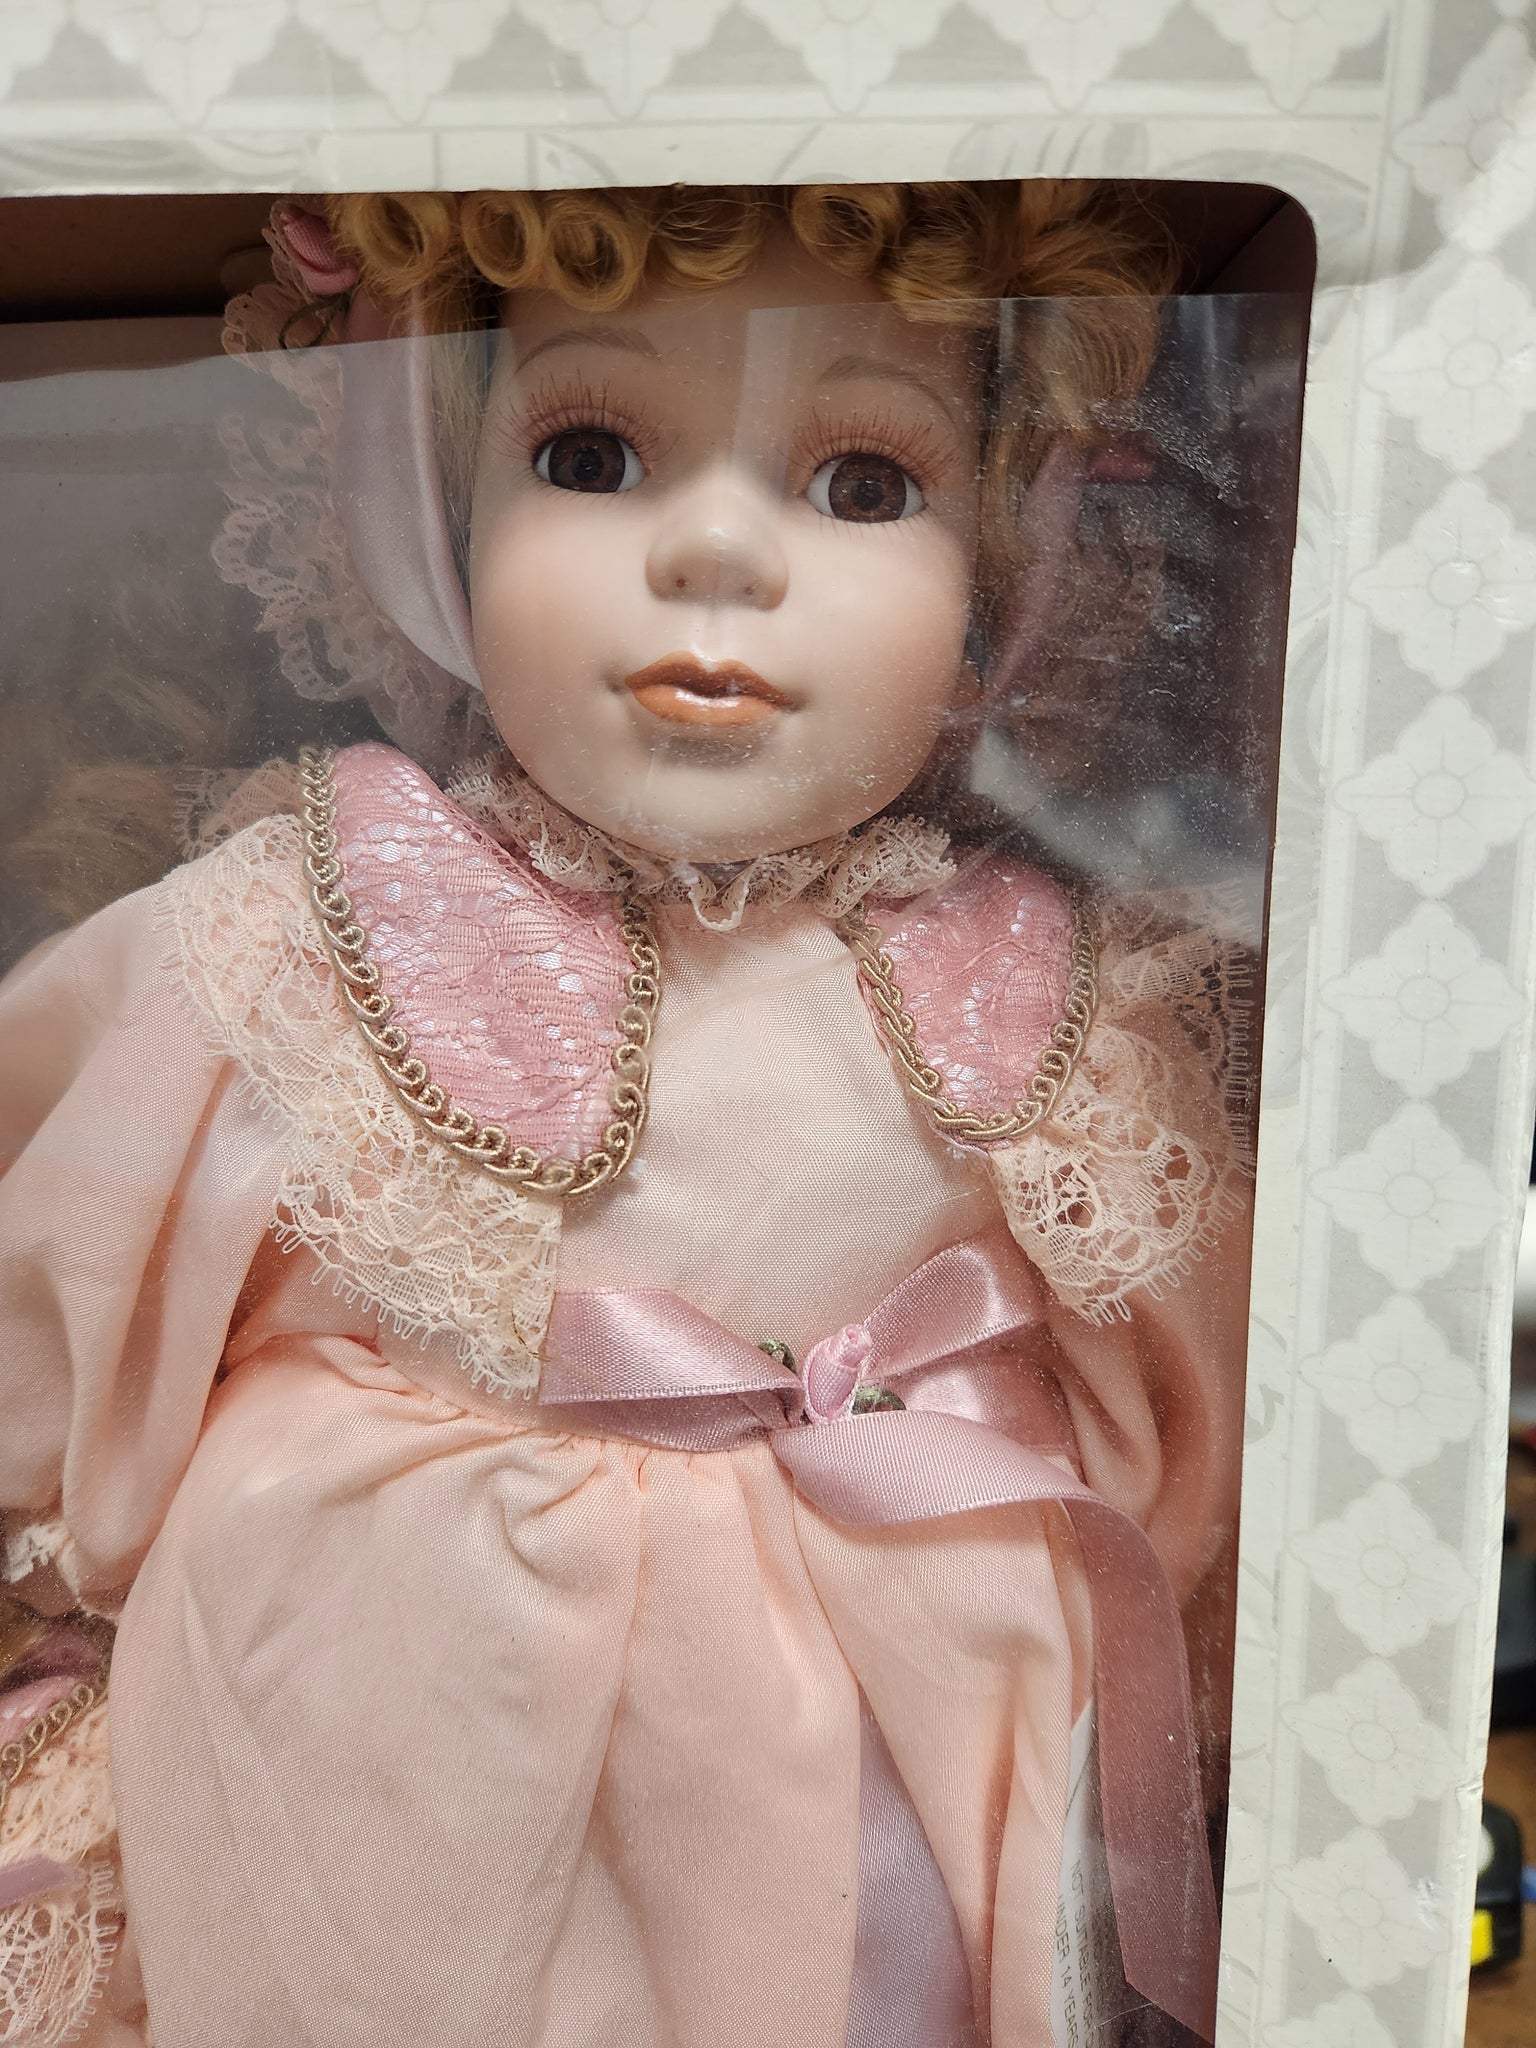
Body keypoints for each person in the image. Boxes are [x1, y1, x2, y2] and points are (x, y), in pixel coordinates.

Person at [0, 180, 1252, 2048]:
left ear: (1013, 570)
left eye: (863, 485)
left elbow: (1191, 1417)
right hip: (380, 1743)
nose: (718, 555)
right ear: (429, 513)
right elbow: (66, 1288)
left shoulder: (1041, 999)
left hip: (888, 1747)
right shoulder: (321, 925)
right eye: (591, 456)